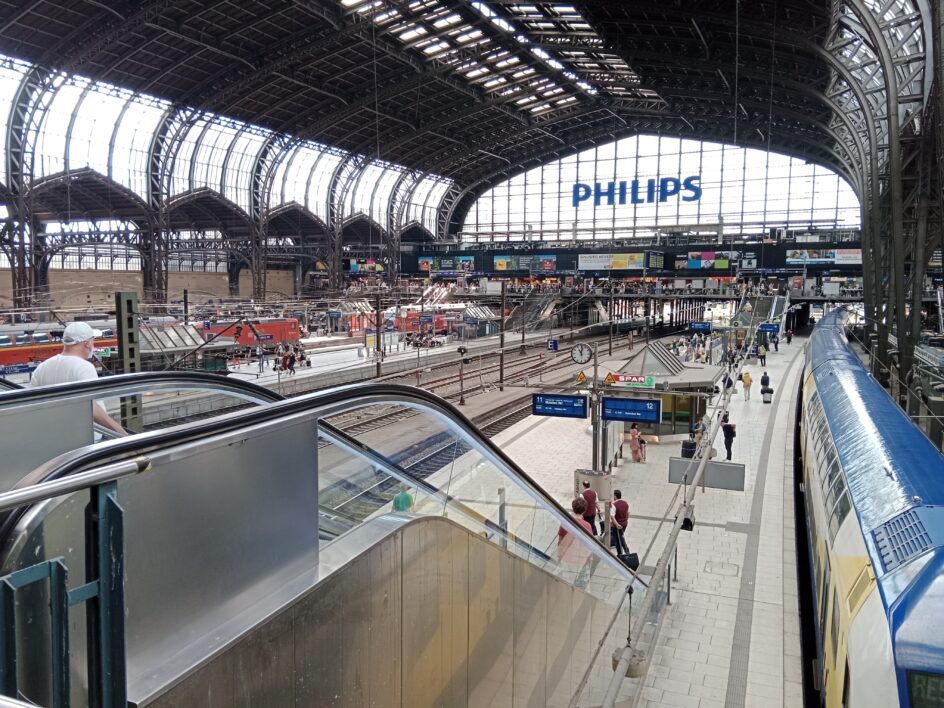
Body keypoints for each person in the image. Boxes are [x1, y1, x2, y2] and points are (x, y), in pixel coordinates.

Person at [28, 322, 127, 436]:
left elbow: (31, 403)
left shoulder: (42, 367)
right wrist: (123, 435)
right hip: (84, 437)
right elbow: (93, 410)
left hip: (54, 435)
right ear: (87, 343)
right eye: (93, 341)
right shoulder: (84, 367)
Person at [610, 490, 630, 555]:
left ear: (615, 496)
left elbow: (612, 517)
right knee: (621, 536)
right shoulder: (625, 503)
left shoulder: (614, 505)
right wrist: (626, 519)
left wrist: (616, 524)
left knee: (618, 540)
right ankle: (627, 551)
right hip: (624, 524)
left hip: (618, 525)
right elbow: (628, 513)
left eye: (613, 495)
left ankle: (620, 554)